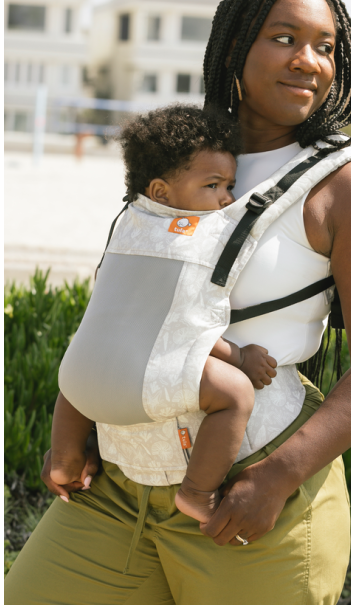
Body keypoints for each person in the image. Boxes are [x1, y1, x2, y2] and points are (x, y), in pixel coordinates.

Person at [6, 0, 351, 604]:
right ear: (233, 47)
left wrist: (277, 478)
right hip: (116, 486)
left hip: (245, 490)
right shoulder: (182, 160)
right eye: (284, 38)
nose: (308, 59)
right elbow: (126, 306)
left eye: (325, 47)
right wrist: (78, 428)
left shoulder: (350, 188)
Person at [50, 104, 279, 526]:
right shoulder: (191, 244)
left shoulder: (127, 223)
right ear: (160, 192)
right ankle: (196, 492)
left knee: (83, 371)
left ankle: (63, 462)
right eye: (213, 185)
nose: (226, 197)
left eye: (229, 184)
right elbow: (188, 325)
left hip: (77, 382)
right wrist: (242, 359)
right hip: (142, 389)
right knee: (236, 394)